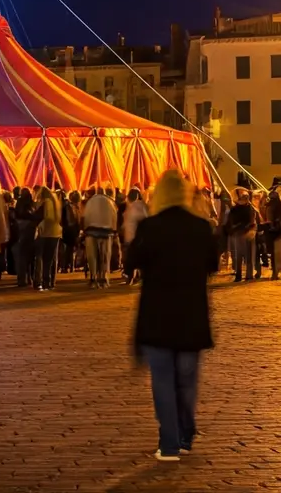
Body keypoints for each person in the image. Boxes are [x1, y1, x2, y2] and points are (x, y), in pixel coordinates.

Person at [124, 171, 217, 462]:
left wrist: (135, 238)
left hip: (158, 314)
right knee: (187, 380)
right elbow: (212, 264)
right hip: (191, 313)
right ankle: (186, 433)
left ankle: (169, 443)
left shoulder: (151, 227)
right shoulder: (201, 227)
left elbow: (132, 264)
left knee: (163, 379)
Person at [82, 186, 118, 289]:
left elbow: (85, 216)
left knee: (92, 256)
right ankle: (104, 278)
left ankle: (93, 278)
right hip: (106, 232)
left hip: (91, 230)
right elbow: (114, 217)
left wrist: (84, 230)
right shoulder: (110, 202)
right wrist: (114, 231)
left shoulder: (90, 202)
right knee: (105, 256)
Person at [225, 190, 259, 281]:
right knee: (241, 255)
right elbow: (252, 221)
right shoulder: (247, 208)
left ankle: (244, 275)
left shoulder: (243, 208)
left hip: (244, 232)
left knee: (244, 255)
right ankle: (241, 275)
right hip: (242, 232)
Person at [34, 187, 62, 291]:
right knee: (50, 259)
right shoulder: (56, 203)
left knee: (42, 258)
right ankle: (49, 282)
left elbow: (44, 217)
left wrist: (39, 223)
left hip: (45, 232)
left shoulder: (46, 202)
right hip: (55, 233)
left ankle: (42, 281)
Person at [121, 189, 149, 284]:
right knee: (136, 258)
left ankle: (132, 277)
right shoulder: (141, 205)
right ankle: (135, 277)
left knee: (131, 257)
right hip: (136, 237)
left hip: (132, 237)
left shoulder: (135, 206)